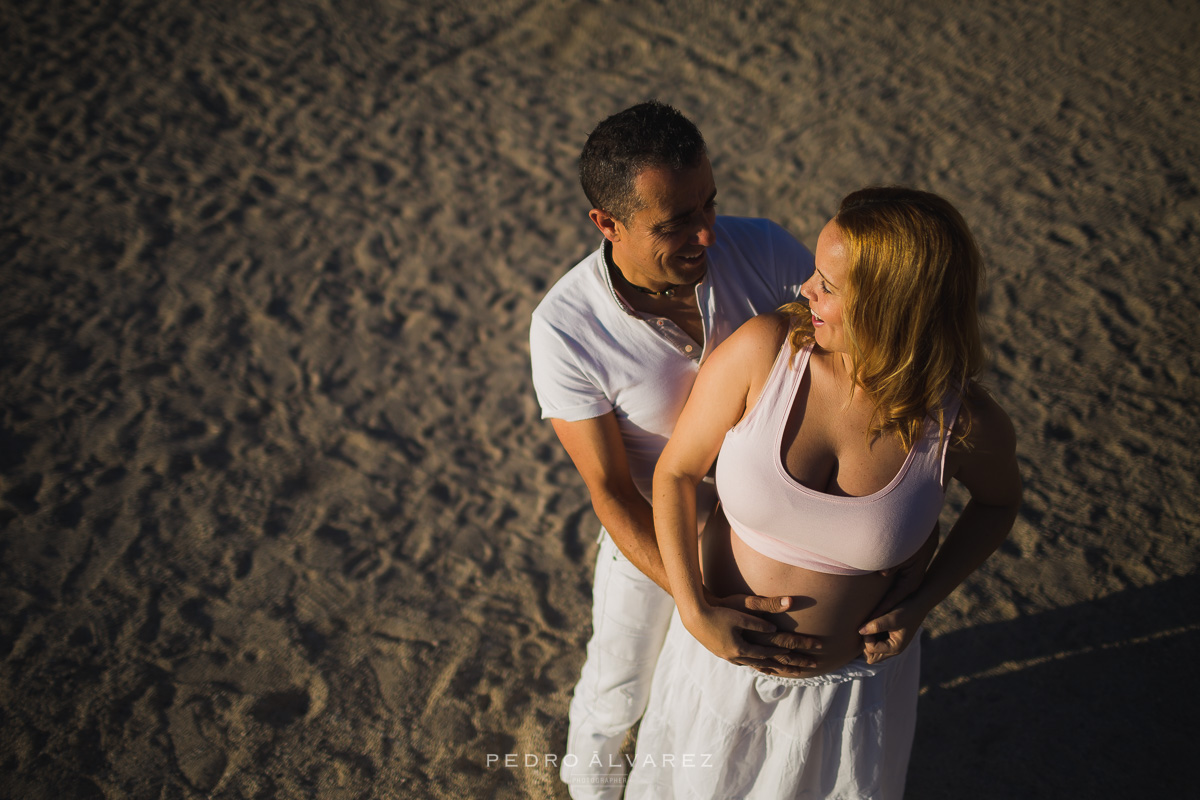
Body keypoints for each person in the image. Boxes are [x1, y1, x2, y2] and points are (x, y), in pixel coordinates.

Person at [530, 104, 934, 797]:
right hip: (656, 532)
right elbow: (612, 490)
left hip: (767, 517)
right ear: (608, 224)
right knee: (620, 683)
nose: (707, 233)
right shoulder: (565, 328)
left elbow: (850, 343)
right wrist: (697, 599)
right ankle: (589, 781)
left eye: (709, 203)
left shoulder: (765, 249)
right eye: (675, 223)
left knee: (714, 708)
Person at [626, 186, 1023, 799]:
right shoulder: (766, 352)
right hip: (716, 672)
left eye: (828, 286)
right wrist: (693, 610)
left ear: (893, 306)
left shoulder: (960, 424)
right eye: (814, 272)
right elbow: (676, 473)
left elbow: (997, 504)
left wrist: (923, 602)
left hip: (842, 706)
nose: (803, 290)